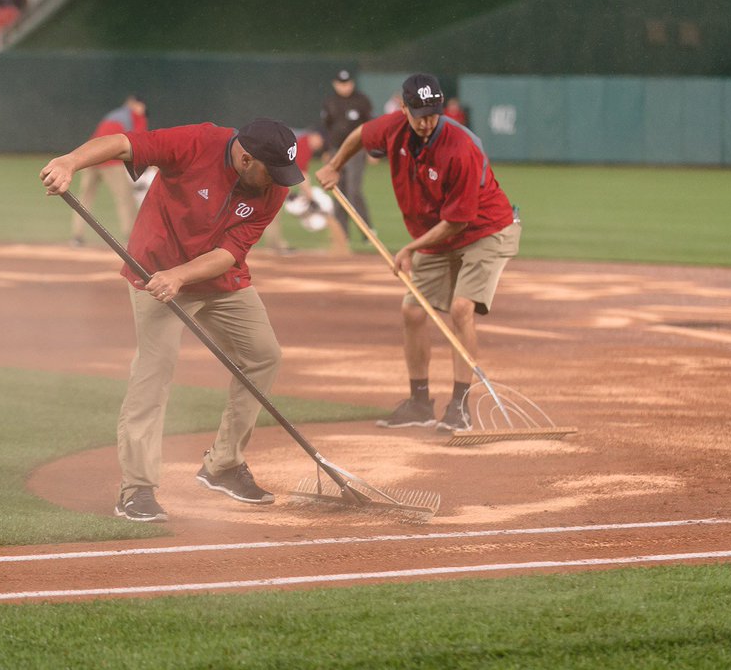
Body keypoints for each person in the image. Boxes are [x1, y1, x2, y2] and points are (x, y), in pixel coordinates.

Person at [40, 117, 304, 523]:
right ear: (246, 158)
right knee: (155, 370)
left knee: (264, 355)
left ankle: (224, 465)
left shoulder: (275, 188)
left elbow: (231, 252)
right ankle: (137, 489)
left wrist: (181, 276)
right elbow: (125, 144)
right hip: (153, 275)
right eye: (273, 172)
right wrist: (70, 161)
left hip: (214, 278)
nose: (279, 183)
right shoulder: (197, 142)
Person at [316, 73, 520, 433]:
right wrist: (335, 166)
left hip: (485, 230)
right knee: (412, 311)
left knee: (461, 309)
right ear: (404, 108)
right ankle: (419, 403)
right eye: (419, 113)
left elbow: (458, 222)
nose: (426, 122)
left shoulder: (460, 147)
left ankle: (460, 405)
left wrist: (409, 248)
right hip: (436, 237)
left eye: (433, 114)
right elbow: (361, 136)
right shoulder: (393, 127)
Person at [68, 94, 146, 247]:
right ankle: (131, 238)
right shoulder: (135, 116)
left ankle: (77, 237)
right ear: (133, 103)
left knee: (84, 199)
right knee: (125, 198)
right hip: (110, 161)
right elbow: (139, 142)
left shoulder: (113, 115)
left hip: (89, 158)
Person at [321, 69, 374, 241]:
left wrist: (372, 150)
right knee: (338, 192)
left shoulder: (361, 101)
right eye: (341, 84)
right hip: (336, 150)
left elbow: (370, 126)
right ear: (335, 84)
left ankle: (367, 232)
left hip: (356, 151)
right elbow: (327, 127)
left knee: (353, 191)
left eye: (347, 83)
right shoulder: (330, 102)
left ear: (352, 83)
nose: (344, 87)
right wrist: (328, 151)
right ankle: (342, 235)